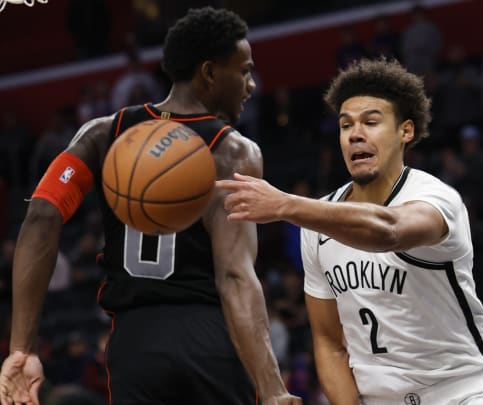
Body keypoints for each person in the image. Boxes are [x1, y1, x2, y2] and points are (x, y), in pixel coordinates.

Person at [0, 8, 300, 405]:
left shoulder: (102, 132)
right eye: (244, 71)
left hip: (134, 346)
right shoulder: (234, 152)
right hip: (209, 337)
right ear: (209, 73)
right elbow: (235, 276)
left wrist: (21, 348)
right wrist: (275, 389)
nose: (251, 85)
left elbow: (41, 214)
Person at [218, 58, 483, 404]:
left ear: (405, 131)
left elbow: (388, 230)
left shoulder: (436, 199)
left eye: (371, 122)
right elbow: (330, 343)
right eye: (346, 125)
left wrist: (285, 205)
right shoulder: (317, 226)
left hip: (463, 393)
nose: (355, 134)